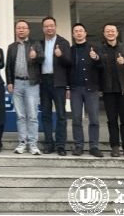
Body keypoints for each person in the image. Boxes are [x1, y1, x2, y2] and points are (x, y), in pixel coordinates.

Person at [97, 23, 124, 158]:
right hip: (108, 90)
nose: (110, 33)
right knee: (112, 120)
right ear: (104, 34)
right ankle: (114, 146)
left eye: (112, 31)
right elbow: (97, 66)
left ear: (117, 33)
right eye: (107, 31)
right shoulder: (100, 49)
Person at [6, 20, 44, 155]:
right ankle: (22, 143)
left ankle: (33, 144)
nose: (21, 30)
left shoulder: (35, 44)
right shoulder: (12, 47)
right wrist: (9, 82)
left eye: (24, 28)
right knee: (20, 116)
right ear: (16, 30)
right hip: (17, 83)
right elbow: (8, 66)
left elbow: (42, 59)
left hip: (31, 84)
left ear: (28, 30)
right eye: (19, 28)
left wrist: (36, 56)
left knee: (32, 115)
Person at [69, 23, 103, 158]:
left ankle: (94, 146)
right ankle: (79, 146)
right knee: (76, 119)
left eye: (81, 31)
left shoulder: (94, 48)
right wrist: (67, 87)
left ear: (85, 33)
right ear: (73, 34)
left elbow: (102, 66)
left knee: (94, 119)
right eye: (76, 31)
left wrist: (96, 58)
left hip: (91, 89)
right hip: (75, 89)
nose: (78, 33)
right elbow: (67, 69)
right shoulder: (70, 50)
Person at [40, 16, 72, 156]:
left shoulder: (63, 43)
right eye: (46, 26)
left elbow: (69, 63)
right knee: (45, 114)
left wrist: (60, 56)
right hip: (44, 82)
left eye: (51, 25)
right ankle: (49, 143)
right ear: (43, 28)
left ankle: (60, 145)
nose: (49, 28)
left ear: (55, 26)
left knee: (61, 115)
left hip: (59, 82)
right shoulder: (40, 43)